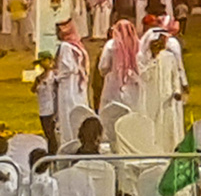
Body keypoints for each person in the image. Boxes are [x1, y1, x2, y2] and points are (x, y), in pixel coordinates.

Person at [139, 26, 189, 149]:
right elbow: (144, 76)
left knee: (167, 124)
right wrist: (153, 61)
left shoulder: (169, 57)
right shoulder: (143, 59)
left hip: (168, 95)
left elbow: (174, 76)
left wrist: (177, 90)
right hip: (151, 95)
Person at [52, 20, 90, 148]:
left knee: (67, 112)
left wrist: (57, 77)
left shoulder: (66, 46)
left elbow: (69, 68)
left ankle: (68, 141)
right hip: (78, 84)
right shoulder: (77, 45)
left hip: (68, 84)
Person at [98, 19, 142, 110]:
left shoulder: (111, 45)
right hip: (135, 84)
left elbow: (103, 66)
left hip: (114, 85)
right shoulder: (140, 45)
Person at [32, 52, 59, 152]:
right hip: (43, 109)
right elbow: (33, 89)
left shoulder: (54, 76)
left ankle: (53, 153)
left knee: (52, 135)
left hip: (52, 108)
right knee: (48, 134)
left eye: (45, 61)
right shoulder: (39, 77)